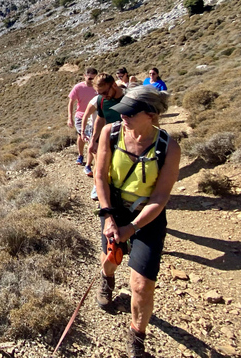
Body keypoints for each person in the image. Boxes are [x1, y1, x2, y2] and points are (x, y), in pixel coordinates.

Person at [94, 86, 181, 358]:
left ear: (150, 115)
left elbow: (160, 197)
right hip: (115, 209)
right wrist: (109, 217)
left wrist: (132, 228)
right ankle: (107, 279)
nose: (123, 117)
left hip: (148, 217)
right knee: (111, 259)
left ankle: (137, 337)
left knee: (142, 285)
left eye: (130, 113)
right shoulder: (111, 133)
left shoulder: (169, 147)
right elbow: (100, 176)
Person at [67, 68, 98, 166]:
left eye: (94, 78)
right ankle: (81, 155)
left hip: (94, 116)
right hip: (81, 116)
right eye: (90, 78)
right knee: (82, 135)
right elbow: (71, 102)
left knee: (92, 137)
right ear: (84, 76)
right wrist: (70, 117)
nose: (92, 81)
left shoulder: (98, 87)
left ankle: (91, 161)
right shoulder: (78, 87)